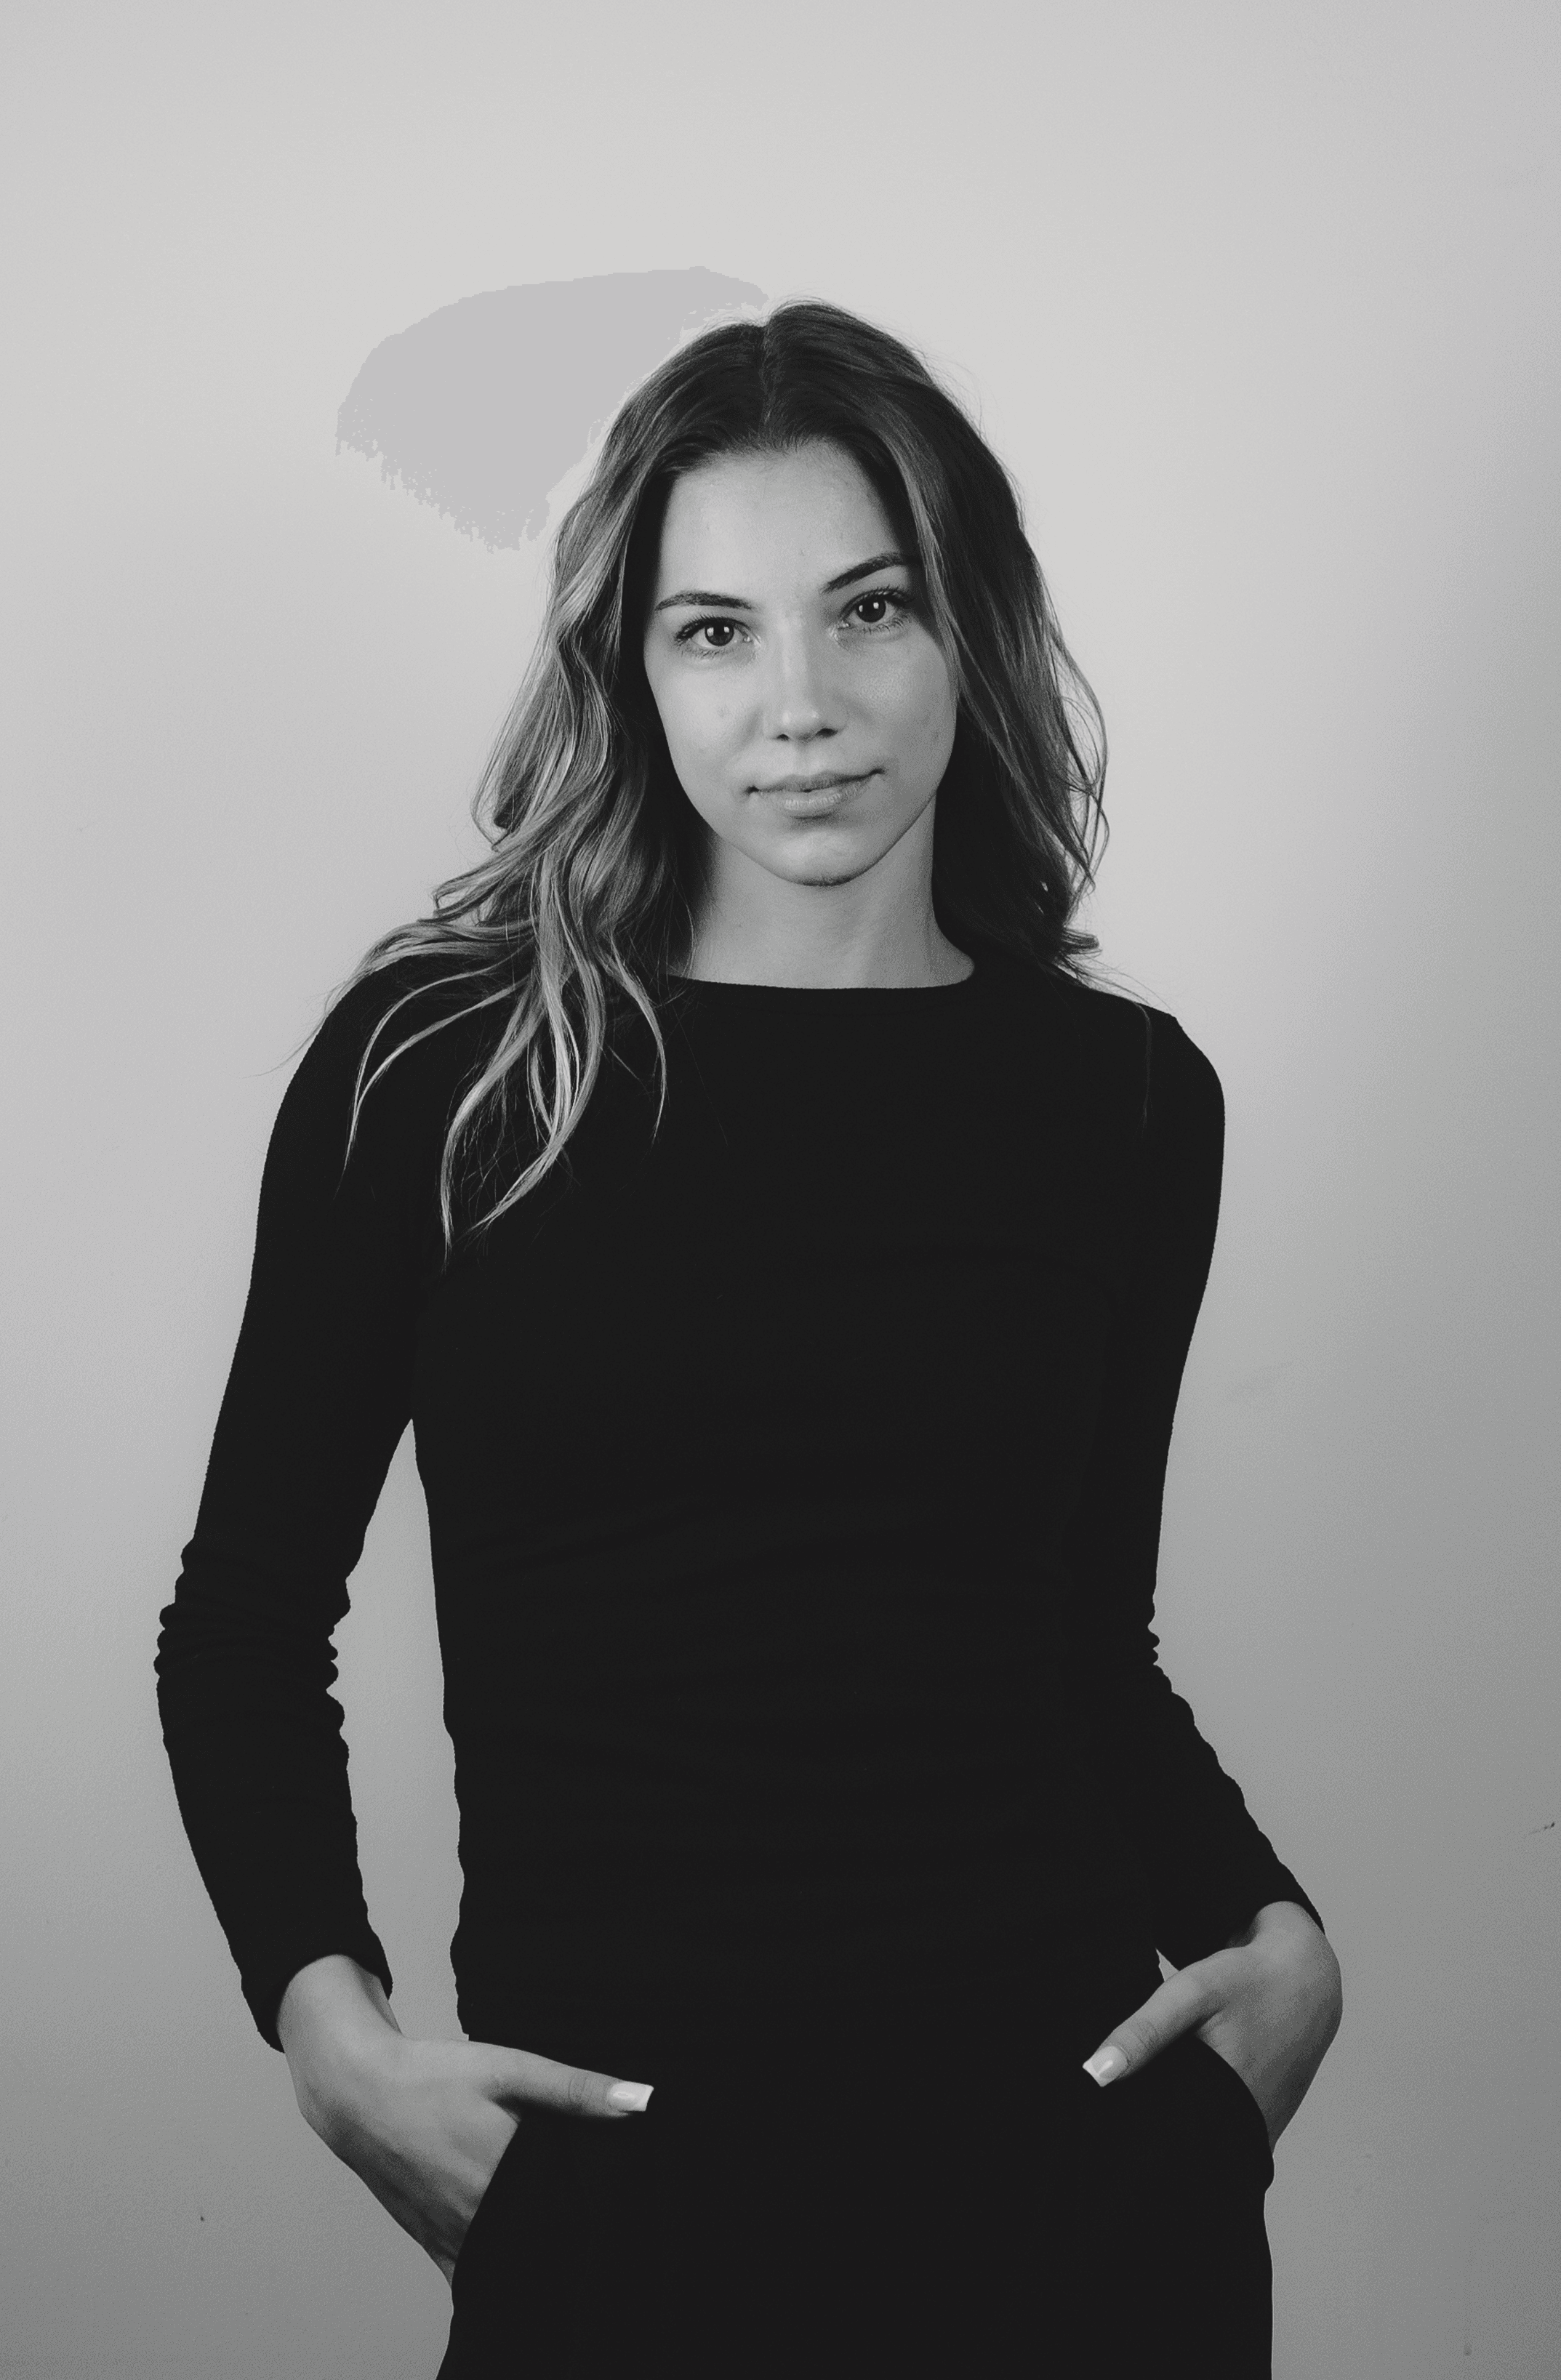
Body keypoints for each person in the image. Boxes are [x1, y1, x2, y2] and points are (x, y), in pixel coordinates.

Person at [156, 297, 1343, 2377]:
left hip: (1081, 2203)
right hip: (626, 2211)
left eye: (868, 608)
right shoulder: (450, 1070)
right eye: (715, 630)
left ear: (971, 626)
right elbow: (244, 1623)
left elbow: (1079, 1639)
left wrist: (1280, 1950)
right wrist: (336, 2044)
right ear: (631, 668)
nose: (800, 707)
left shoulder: (1127, 1101)